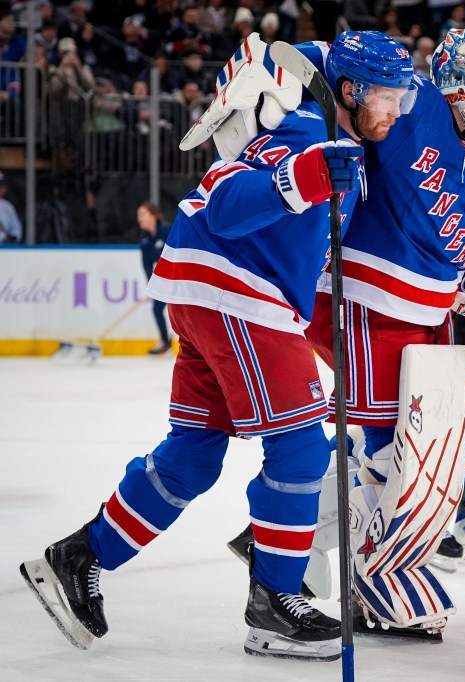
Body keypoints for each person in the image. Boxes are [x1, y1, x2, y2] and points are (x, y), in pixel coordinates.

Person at [20, 32, 414, 662]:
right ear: (351, 91)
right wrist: (306, 174)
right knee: (301, 446)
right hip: (237, 291)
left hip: (212, 290)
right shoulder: (306, 130)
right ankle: (275, 606)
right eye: (389, 98)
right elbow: (228, 203)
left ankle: (79, 556)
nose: (396, 112)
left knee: (193, 455)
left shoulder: (329, 134)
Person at [297, 28, 465, 637]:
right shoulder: (416, 102)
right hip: (362, 300)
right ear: (464, 83)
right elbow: (329, 66)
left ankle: (293, 536)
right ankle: (375, 580)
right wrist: (272, 70)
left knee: (436, 448)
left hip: (429, 316)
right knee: (392, 450)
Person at [136, 202, 172, 354]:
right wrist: (153, 285)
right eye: (138, 216)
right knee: (157, 309)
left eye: (142, 215)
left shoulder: (168, 232)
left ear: (153, 216)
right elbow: (147, 266)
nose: (139, 219)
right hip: (163, 281)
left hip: (178, 277)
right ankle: (165, 342)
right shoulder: (145, 241)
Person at [0, 171, 22, 244]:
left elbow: (16, 229)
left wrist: (12, 238)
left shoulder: (7, 206)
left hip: (5, 249)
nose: (2, 189)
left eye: (2, 186)